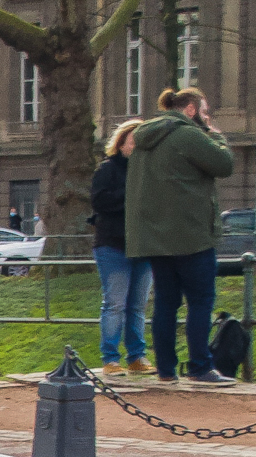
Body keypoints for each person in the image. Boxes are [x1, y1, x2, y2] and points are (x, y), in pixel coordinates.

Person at [124, 86, 238, 386]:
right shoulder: (188, 134)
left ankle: (165, 369)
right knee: (200, 301)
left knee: (165, 303)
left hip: (156, 238)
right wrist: (215, 134)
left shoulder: (144, 139)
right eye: (204, 112)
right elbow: (224, 165)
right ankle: (200, 367)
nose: (206, 117)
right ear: (190, 109)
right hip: (191, 235)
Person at [88, 119, 151, 379]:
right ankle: (111, 358)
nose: (136, 146)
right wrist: (130, 194)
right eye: (133, 140)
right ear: (121, 142)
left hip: (144, 246)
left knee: (138, 305)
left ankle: (137, 356)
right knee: (114, 303)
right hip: (113, 245)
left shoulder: (150, 172)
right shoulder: (107, 170)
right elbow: (99, 201)